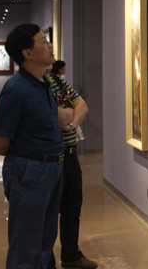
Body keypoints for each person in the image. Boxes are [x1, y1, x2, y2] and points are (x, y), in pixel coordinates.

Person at [0, 24, 72, 269]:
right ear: (27, 53)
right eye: (43, 41)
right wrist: (29, 156)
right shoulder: (16, 90)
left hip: (52, 168)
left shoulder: (43, 84)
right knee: (26, 248)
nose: (50, 45)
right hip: (31, 171)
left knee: (44, 243)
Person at [47, 60, 97, 269]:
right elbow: (55, 116)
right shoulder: (36, 84)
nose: (49, 47)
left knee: (72, 208)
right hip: (49, 158)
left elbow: (82, 105)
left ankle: (71, 255)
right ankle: (46, 260)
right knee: (47, 212)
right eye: (44, 44)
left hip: (70, 155)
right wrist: (68, 114)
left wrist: (72, 123)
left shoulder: (59, 82)